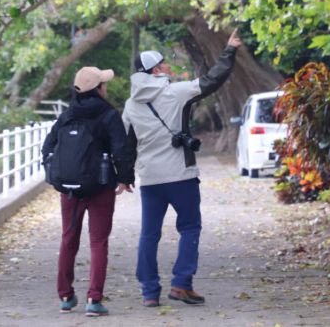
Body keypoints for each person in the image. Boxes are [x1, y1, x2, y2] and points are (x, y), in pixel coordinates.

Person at [122, 29, 243, 307]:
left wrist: (125, 177)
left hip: (150, 179)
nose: (168, 67)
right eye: (163, 64)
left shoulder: (130, 105)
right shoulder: (175, 93)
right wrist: (230, 49)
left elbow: (127, 144)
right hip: (180, 176)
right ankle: (181, 284)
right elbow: (213, 80)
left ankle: (149, 292)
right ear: (154, 70)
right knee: (190, 228)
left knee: (149, 234)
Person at [41, 66, 135, 316]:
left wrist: (59, 175)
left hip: (70, 189)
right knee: (98, 242)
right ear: (98, 89)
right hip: (101, 187)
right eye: (104, 84)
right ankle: (94, 300)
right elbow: (120, 149)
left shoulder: (67, 115)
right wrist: (125, 179)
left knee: (68, 238)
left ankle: (65, 296)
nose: (106, 87)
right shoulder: (108, 114)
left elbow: (47, 148)